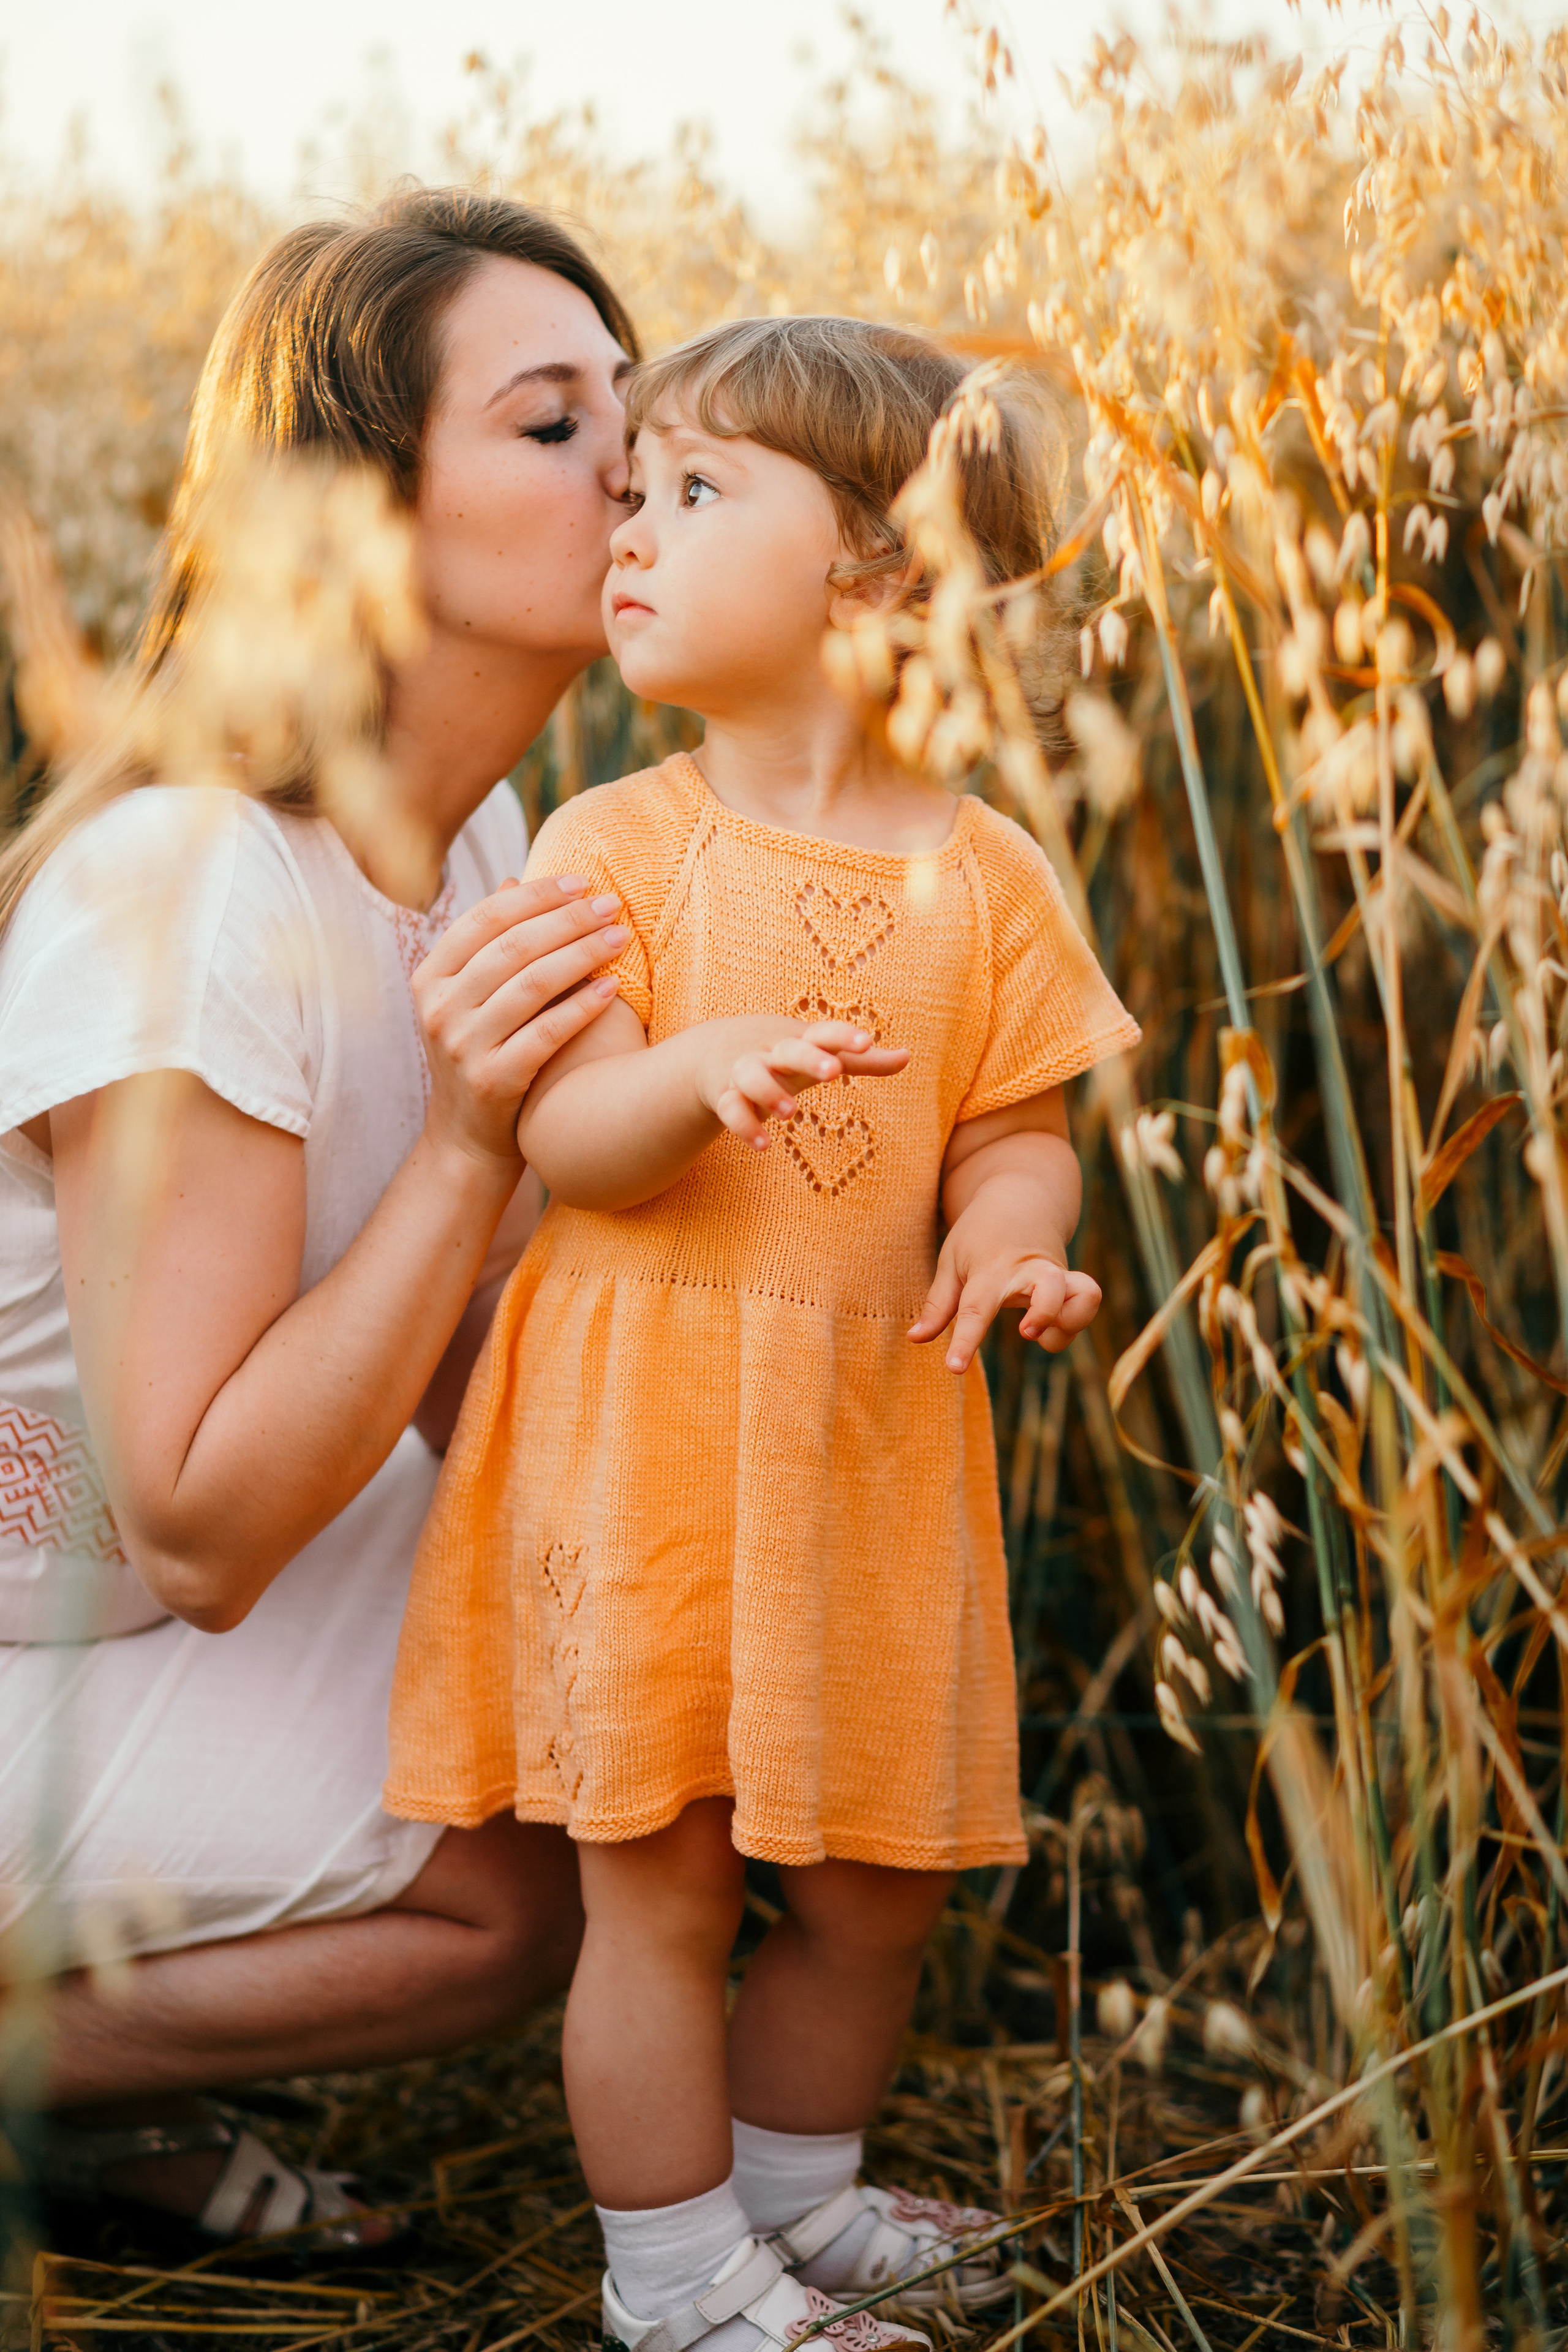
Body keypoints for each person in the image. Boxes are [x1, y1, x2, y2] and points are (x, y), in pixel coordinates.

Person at [385, 317, 1141, 2348]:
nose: (628, 525)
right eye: (627, 487)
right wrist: (692, 1069)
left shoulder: (988, 875)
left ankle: (796, 2199)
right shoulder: (616, 843)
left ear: (888, 576)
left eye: (694, 490)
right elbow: (569, 1133)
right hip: (641, 1447)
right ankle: (677, 2277)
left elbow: (1019, 1129)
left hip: (866, 1445)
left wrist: (1015, 1239)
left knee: (878, 1877)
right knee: (667, 1880)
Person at [0, 187, 638, 2247]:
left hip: (170, 1565)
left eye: (638, 405)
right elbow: (186, 1527)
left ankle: (82, 2115)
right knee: (504, 1879)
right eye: (552, 424)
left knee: (640, 1706)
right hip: (50, 1597)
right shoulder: (183, 884)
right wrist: (469, 1155)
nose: (637, 462)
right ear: (355, 513)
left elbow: (475, 1371)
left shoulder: (484, 841)